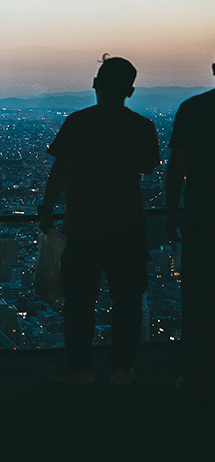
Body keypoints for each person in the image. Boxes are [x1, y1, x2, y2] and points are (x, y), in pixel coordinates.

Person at [39, 55, 160, 386]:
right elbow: (149, 166)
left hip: (83, 225)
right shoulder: (143, 127)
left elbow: (60, 169)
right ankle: (122, 368)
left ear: (95, 84)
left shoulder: (78, 122)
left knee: (79, 302)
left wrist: (47, 208)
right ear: (130, 91)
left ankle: (79, 368)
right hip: (129, 224)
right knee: (128, 302)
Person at [165, 61, 215, 400]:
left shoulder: (193, 108)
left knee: (198, 296)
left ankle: (195, 376)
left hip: (202, 212)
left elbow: (177, 166)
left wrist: (171, 212)